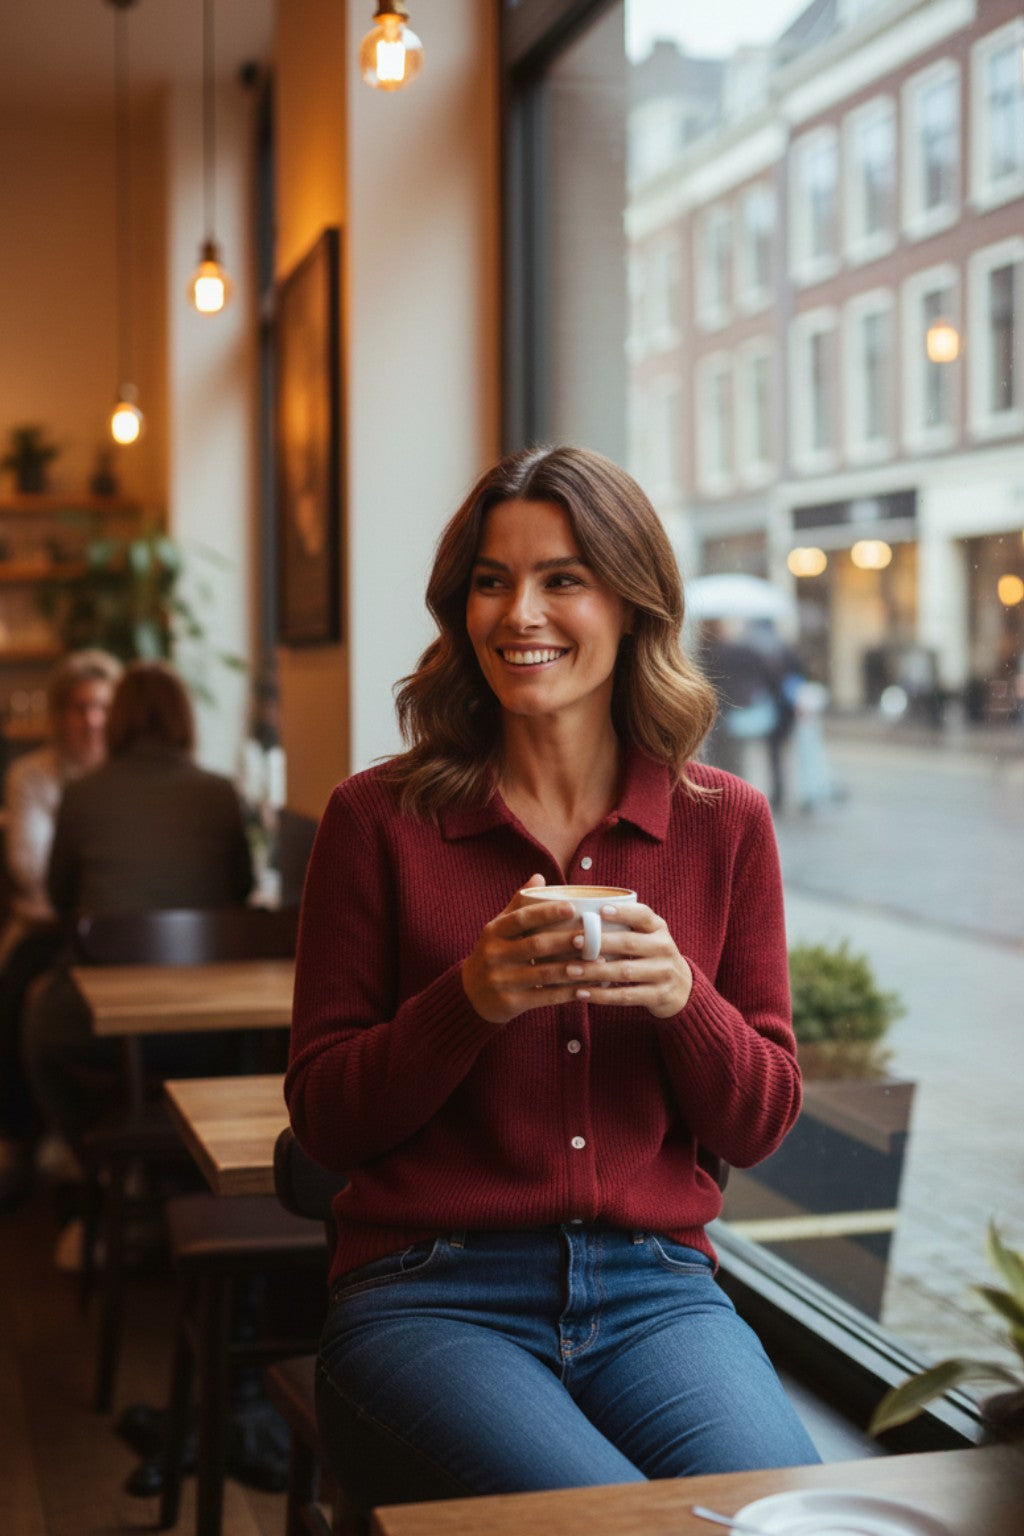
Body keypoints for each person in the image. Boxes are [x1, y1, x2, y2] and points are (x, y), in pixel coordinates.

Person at [286, 445, 820, 1516]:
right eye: (491, 580)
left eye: (561, 578)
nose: (518, 612)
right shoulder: (375, 820)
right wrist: (467, 1000)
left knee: (785, 1522)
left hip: (656, 1297)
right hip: (429, 1296)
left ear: (631, 605)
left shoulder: (724, 824)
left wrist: (683, 1000)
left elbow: (760, 1122)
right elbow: (326, 1124)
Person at [22, 659, 254, 1152]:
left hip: (99, 1031)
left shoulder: (82, 795)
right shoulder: (218, 793)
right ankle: (186, 1168)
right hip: (209, 1027)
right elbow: (242, 891)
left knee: (37, 1020)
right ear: (184, 719)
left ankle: (92, 1155)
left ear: (118, 718)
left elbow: (62, 900)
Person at [0, 649, 123, 1207]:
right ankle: (18, 1140)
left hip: (112, 933)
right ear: (59, 714)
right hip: (51, 932)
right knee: (19, 990)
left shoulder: (128, 779)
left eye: (101, 706)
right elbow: (30, 868)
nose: (91, 719)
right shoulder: (31, 776)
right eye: (79, 707)